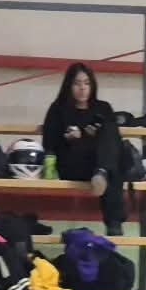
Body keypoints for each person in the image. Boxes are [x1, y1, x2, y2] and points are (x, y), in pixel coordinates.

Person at [40, 62, 129, 236]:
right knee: (112, 165)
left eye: (87, 83)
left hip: (97, 163)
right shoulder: (58, 109)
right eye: (77, 83)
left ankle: (102, 172)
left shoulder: (103, 107)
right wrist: (68, 139)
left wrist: (95, 136)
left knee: (109, 131)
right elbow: (48, 144)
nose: (82, 88)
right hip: (72, 162)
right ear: (69, 86)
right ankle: (114, 221)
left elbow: (114, 139)